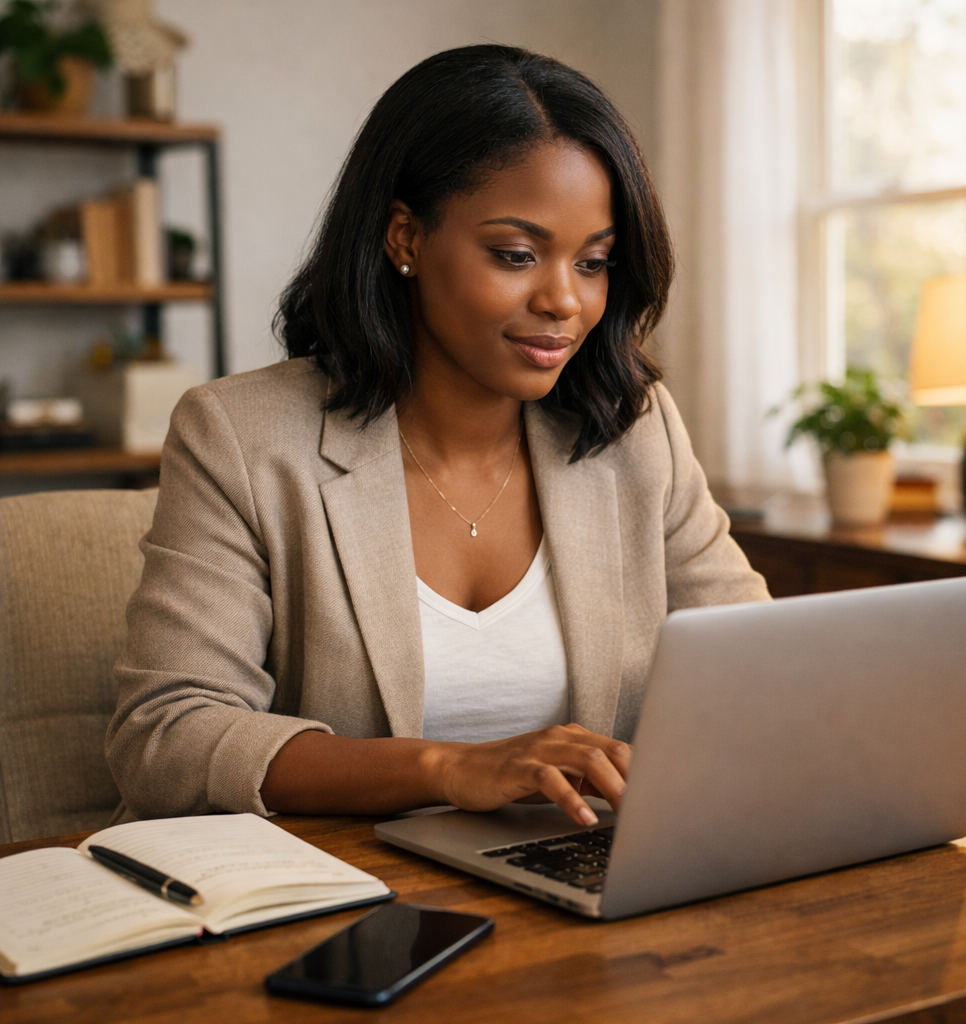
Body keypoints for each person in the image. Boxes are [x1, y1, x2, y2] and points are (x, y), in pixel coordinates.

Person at [106, 45, 769, 830]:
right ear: (405, 239)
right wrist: (448, 767)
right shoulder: (242, 437)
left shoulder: (633, 427)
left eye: (594, 263)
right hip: (342, 904)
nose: (564, 300)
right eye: (516, 255)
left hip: (577, 880)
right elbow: (167, 735)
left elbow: (754, 670)